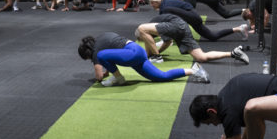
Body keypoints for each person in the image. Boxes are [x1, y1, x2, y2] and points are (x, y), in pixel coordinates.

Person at [77, 32, 209, 86]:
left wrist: (101, 75)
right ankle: (194, 70)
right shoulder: (102, 38)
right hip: (137, 52)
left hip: (132, 54)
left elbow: (99, 76)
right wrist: (108, 71)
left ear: (88, 52)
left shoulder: (96, 52)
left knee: (101, 56)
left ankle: (119, 79)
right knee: (161, 77)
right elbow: (113, 54)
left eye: (88, 58)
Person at [136, 13, 250, 65]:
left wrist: (155, 55)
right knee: (201, 57)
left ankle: (157, 58)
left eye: (142, 39)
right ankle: (233, 53)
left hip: (176, 25)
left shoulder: (147, 28)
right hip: (183, 28)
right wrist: (155, 52)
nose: (145, 39)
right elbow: (168, 42)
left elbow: (147, 43)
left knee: (141, 28)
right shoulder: (154, 30)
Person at [148, 0, 248, 41]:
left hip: (193, 17)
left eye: (152, 3)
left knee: (167, 17)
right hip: (192, 16)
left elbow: (163, 24)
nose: (151, 5)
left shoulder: (165, 8)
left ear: (156, 2)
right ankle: (239, 28)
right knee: (213, 37)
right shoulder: (165, 3)